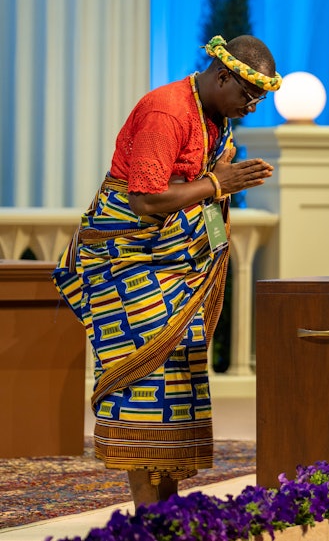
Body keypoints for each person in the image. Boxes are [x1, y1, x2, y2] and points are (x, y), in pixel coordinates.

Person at [52, 35, 280, 506]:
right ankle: (146, 515)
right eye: (251, 96)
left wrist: (217, 178)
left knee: (181, 375)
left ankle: (168, 509)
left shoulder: (214, 115)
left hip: (173, 262)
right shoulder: (168, 111)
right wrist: (219, 182)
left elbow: (195, 183)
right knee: (145, 379)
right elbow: (145, 198)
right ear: (222, 76)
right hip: (129, 259)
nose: (254, 108)